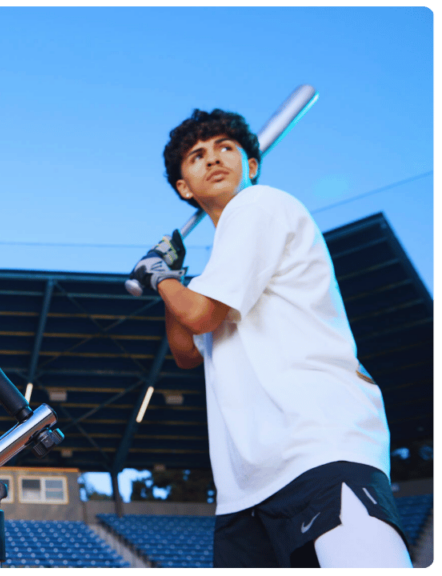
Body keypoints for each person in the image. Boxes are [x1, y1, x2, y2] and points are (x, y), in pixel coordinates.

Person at [128, 109, 414, 569]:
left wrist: (160, 277)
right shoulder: (218, 269)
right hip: (247, 483)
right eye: (197, 155)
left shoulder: (261, 205)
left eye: (227, 147)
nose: (214, 158)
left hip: (319, 446)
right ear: (184, 187)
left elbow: (198, 317)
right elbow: (185, 353)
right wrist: (174, 280)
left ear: (252, 165)